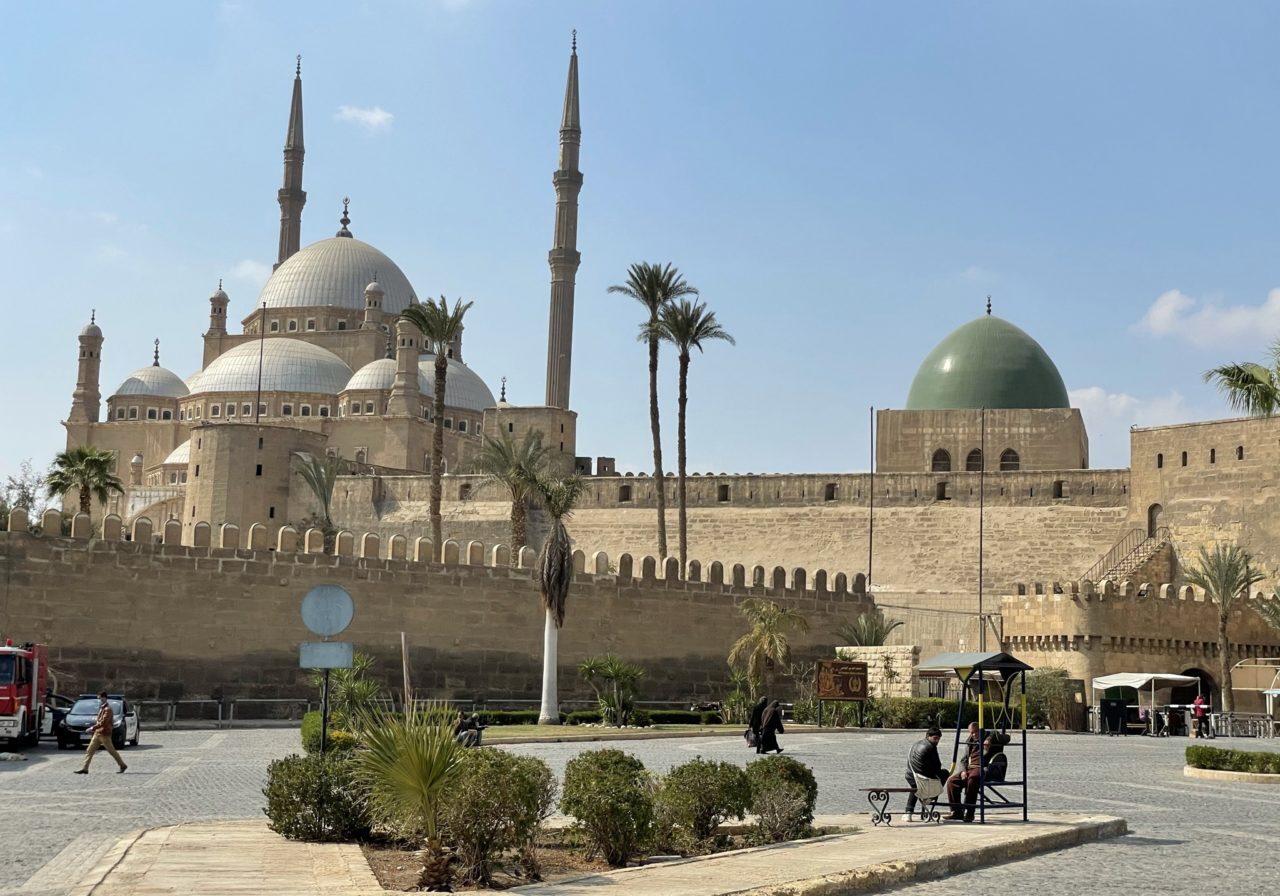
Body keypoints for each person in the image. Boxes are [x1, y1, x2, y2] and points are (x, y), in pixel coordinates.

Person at [947, 732, 1007, 822]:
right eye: (971, 732)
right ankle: (956, 811)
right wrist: (963, 771)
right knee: (952, 781)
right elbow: (963, 760)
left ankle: (970, 812)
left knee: (973, 779)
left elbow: (1005, 737)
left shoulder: (990, 736)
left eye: (975, 732)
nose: (973, 734)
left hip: (983, 768)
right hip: (969, 768)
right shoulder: (970, 742)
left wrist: (989, 739)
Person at [74, 691, 126, 775]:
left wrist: (92, 727)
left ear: (105, 698)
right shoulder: (102, 708)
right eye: (99, 698)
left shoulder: (107, 709)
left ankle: (122, 765)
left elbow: (103, 722)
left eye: (100, 698)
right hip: (97, 733)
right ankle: (85, 768)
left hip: (104, 734)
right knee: (89, 750)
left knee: (112, 751)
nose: (99, 700)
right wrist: (95, 729)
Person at [905, 726, 947, 819]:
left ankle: (908, 812)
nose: (937, 741)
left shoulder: (916, 744)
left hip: (910, 776)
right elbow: (937, 766)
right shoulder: (931, 747)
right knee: (944, 773)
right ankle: (931, 797)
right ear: (928, 736)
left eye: (938, 739)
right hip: (922, 778)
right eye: (935, 738)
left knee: (915, 788)